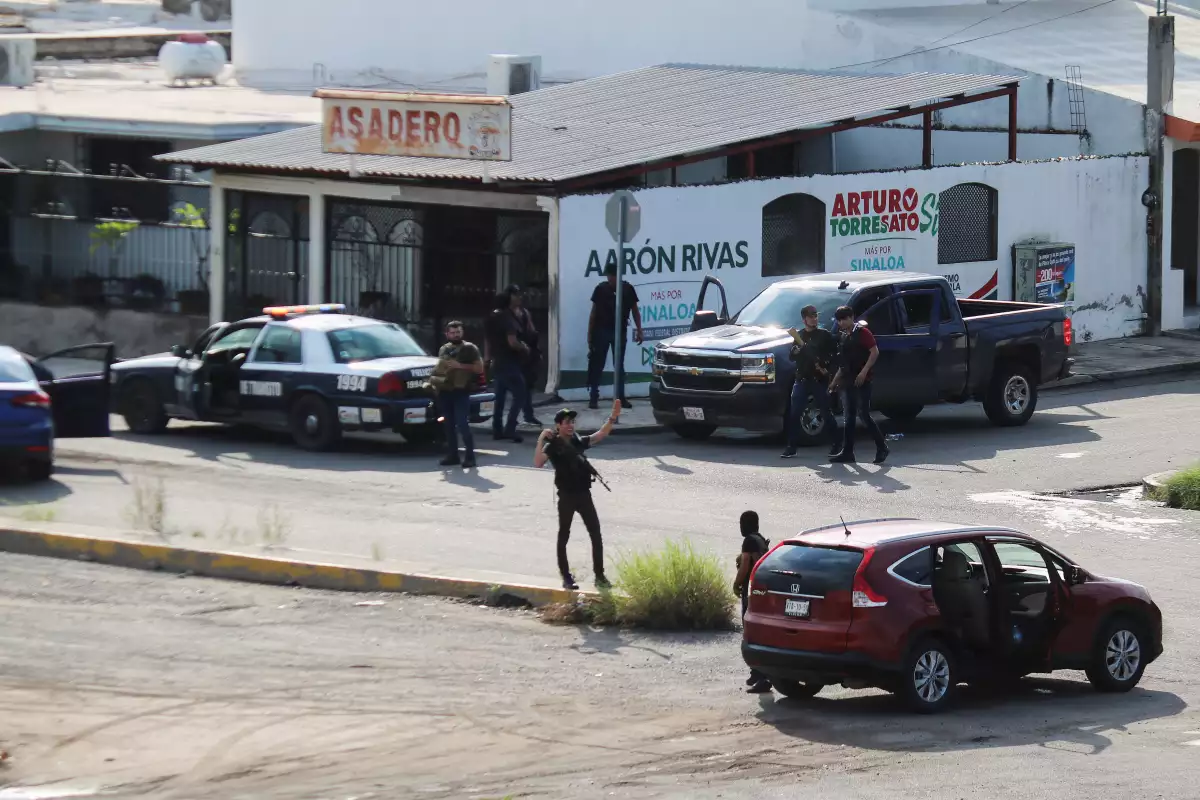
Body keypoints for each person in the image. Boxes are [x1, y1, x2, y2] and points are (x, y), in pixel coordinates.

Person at [533, 400, 622, 590]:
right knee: (564, 535)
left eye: (572, 422)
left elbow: (601, 434)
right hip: (566, 496)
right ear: (558, 425)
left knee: (596, 534)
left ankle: (600, 576)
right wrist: (541, 439)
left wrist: (613, 417)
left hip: (584, 495)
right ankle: (566, 577)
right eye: (566, 422)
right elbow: (538, 462)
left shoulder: (578, 441)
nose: (571, 425)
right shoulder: (553, 445)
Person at [829, 306, 889, 465]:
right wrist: (835, 382)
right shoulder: (843, 337)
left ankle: (882, 447)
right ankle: (847, 452)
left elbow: (874, 352)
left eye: (844, 318)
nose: (842, 322)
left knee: (863, 415)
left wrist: (864, 372)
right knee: (848, 417)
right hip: (847, 380)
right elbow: (843, 364)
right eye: (839, 320)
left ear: (852, 317)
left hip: (863, 380)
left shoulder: (863, 333)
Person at [782, 304, 839, 459]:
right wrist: (797, 350)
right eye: (811, 316)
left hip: (818, 379)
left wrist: (824, 365)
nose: (814, 319)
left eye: (815, 316)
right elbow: (792, 357)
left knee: (826, 412)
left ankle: (837, 444)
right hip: (802, 379)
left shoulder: (824, 335)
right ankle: (791, 447)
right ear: (804, 319)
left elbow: (833, 355)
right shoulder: (799, 335)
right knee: (794, 415)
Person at [587, 264, 644, 411]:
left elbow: (635, 311)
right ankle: (594, 396)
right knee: (597, 364)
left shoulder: (627, 289)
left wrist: (639, 330)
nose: (611, 278)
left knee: (619, 365)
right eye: (609, 275)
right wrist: (590, 334)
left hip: (620, 331)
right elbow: (593, 313)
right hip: (601, 331)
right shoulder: (601, 289)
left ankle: (620, 397)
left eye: (613, 275)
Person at [433, 320, 484, 469]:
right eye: (452, 333)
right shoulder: (444, 349)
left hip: (461, 391)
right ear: (447, 334)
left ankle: (470, 457)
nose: (455, 335)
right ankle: (453, 455)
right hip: (445, 391)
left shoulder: (470, 348)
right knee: (448, 425)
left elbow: (479, 368)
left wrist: (460, 366)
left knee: (462, 424)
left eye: (458, 332)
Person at [732, 510, 771, 693]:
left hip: (752, 591)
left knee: (751, 633)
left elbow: (746, 563)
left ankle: (763, 677)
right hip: (761, 591)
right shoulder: (761, 540)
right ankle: (756, 672)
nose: (740, 527)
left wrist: (736, 583)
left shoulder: (748, 541)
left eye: (742, 523)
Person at [484, 291, 529, 443]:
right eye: (515, 296)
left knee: (500, 398)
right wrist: (523, 347)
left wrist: (487, 358)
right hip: (510, 362)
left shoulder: (492, 317)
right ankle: (510, 428)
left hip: (498, 362)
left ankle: (497, 429)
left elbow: (488, 340)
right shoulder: (507, 318)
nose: (519, 298)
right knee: (520, 395)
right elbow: (512, 342)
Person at [506, 284, 543, 426]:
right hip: (511, 355)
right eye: (516, 295)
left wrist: (536, 351)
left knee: (527, 386)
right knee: (515, 389)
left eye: (520, 294)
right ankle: (511, 419)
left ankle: (528, 415)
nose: (519, 297)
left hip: (526, 355)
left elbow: (531, 332)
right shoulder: (504, 314)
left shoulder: (524, 313)